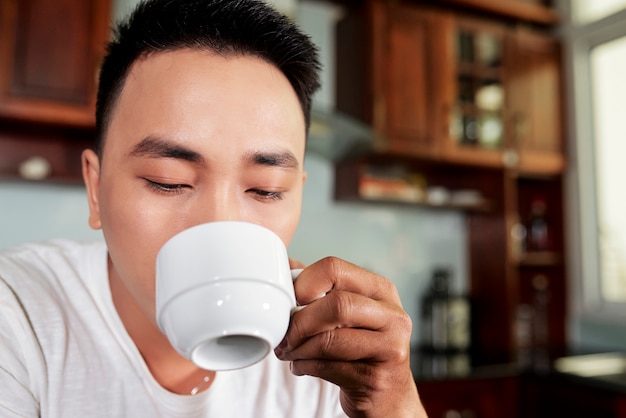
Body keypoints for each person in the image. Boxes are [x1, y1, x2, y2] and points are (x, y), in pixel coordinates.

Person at [0, 0, 427, 416]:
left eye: (265, 190)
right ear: (95, 190)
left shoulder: (331, 365)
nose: (219, 224)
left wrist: (393, 401)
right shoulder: (19, 316)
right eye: (169, 181)